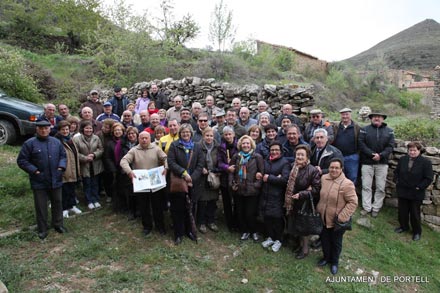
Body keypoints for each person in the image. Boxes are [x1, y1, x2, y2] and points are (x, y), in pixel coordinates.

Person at [17, 120, 67, 240]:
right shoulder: (29, 143)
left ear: (50, 129)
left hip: (55, 178)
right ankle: (42, 229)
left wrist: (61, 167)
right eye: (41, 129)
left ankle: (58, 224)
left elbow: (63, 156)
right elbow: (22, 161)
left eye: (46, 128)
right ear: (37, 130)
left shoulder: (56, 142)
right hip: (39, 180)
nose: (44, 130)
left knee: (57, 202)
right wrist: (35, 171)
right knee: (41, 205)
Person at [120, 131, 168, 236]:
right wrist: (129, 171)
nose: (144, 140)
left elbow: (165, 158)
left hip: (155, 182)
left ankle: (160, 226)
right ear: (138, 139)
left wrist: (166, 167)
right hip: (141, 183)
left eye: (146, 138)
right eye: (142, 138)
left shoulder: (156, 148)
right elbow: (123, 161)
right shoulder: (134, 150)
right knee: (144, 206)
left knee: (157, 206)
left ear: (150, 138)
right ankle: (147, 227)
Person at [316, 158, 358, 275]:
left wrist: (342, 217)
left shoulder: (347, 184)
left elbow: (353, 202)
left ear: (341, 169)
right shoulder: (324, 178)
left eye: (336, 168)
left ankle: (334, 262)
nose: (333, 170)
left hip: (337, 221)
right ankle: (326, 258)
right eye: (331, 167)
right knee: (324, 239)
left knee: (336, 242)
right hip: (323, 217)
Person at [167, 124, 204, 245]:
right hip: (178, 182)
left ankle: (189, 231)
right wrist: (183, 173)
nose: (185, 134)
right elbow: (171, 162)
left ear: (191, 134)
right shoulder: (174, 145)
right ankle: (179, 233)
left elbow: (200, 164)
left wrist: (191, 178)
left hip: (193, 183)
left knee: (191, 208)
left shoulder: (197, 147)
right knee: (177, 208)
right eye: (183, 132)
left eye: (187, 132)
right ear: (180, 133)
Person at [284, 144, 321, 259]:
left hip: (304, 203)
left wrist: (302, 194)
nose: (299, 157)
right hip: (292, 202)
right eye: (297, 154)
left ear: (307, 156)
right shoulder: (292, 166)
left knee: (304, 227)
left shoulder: (312, 170)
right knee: (295, 224)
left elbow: (316, 189)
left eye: (302, 155)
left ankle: (305, 249)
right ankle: (298, 245)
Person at [393, 141, 433, 241]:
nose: (412, 152)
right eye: (410, 150)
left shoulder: (426, 162)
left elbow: (428, 178)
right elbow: (396, 172)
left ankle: (416, 232)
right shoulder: (403, 159)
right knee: (402, 211)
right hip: (403, 190)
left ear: (419, 151)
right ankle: (403, 226)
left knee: (415, 213)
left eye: (414, 150)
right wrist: (397, 180)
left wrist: (419, 187)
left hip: (416, 192)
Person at [358, 112, 395, 217]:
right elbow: (361, 144)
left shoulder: (389, 131)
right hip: (367, 162)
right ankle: (367, 207)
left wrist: (381, 155)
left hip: (382, 163)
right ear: (371, 118)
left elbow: (390, 146)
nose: (377, 118)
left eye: (379, 117)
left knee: (380, 187)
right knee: (366, 186)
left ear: (383, 118)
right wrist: (371, 154)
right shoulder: (364, 129)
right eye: (374, 117)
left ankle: (376, 208)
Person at [229, 135, 264, 241]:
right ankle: (245, 231)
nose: (245, 145)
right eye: (243, 143)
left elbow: (261, 172)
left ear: (251, 144)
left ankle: (253, 231)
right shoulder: (236, 156)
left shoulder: (257, 157)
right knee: (240, 212)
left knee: (250, 213)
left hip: (252, 190)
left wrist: (256, 185)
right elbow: (231, 171)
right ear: (240, 145)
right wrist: (231, 183)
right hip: (239, 189)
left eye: (247, 143)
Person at [260, 141, 290, 252]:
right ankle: (270, 237)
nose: (274, 152)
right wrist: (273, 177)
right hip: (266, 193)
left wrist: (270, 178)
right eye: (272, 150)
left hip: (277, 195)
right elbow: (262, 174)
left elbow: (284, 180)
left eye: (276, 150)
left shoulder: (284, 163)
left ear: (281, 151)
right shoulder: (266, 161)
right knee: (267, 217)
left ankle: (279, 239)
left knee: (277, 218)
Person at [73, 120, 104, 210]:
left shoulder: (96, 138)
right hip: (84, 165)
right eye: (86, 128)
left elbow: (101, 149)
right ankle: (89, 201)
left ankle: (96, 199)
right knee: (87, 183)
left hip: (95, 164)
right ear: (82, 129)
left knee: (95, 183)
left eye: (90, 128)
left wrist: (94, 155)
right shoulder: (77, 139)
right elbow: (75, 152)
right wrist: (85, 158)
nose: (89, 130)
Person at [195, 127, 221, 233]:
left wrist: (217, 170)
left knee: (212, 200)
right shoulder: (197, 146)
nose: (209, 138)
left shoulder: (217, 147)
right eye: (207, 135)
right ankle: (201, 222)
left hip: (214, 176)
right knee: (202, 201)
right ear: (203, 136)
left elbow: (221, 160)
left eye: (211, 136)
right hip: (202, 177)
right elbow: (195, 160)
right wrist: (201, 168)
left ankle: (211, 221)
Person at [55, 120, 82, 218]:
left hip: (73, 168)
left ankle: (72, 206)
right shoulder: (57, 141)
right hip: (65, 169)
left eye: (67, 129)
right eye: (63, 130)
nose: (65, 131)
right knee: (64, 190)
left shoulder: (70, 139)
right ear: (59, 130)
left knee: (71, 189)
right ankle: (64, 208)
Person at [217, 126, 239, 232]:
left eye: (230, 134)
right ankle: (229, 222)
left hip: (236, 176)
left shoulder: (239, 145)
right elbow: (219, 162)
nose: (228, 136)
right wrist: (227, 167)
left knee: (237, 201)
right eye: (226, 134)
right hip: (225, 177)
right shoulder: (221, 147)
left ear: (233, 134)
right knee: (227, 202)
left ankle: (237, 221)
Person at [332, 108, 361, 184]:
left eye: (347, 114)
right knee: (337, 177)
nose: (345, 116)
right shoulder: (336, 126)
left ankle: (349, 195)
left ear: (350, 115)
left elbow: (360, 141)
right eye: (343, 114)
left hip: (352, 157)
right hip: (337, 156)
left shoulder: (356, 127)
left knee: (351, 177)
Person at [102, 122, 126, 212]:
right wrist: (113, 168)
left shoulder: (126, 141)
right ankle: (118, 206)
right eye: (116, 130)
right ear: (113, 132)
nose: (117, 132)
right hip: (115, 168)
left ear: (123, 131)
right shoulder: (109, 143)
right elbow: (107, 157)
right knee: (116, 187)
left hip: (124, 167)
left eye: (119, 130)